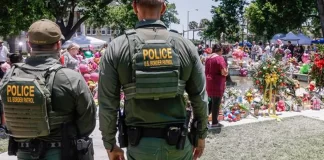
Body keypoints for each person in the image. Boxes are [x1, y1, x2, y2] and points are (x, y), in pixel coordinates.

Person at [98, 0, 208, 160]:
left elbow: (108, 104)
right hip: (178, 144)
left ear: (135, 7)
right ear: (163, 8)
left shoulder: (117, 47)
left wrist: (110, 144)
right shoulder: (186, 46)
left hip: (140, 146)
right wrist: (201, 136)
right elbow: (200, 99)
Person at [0, 19, 96, 160]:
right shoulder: (70, 77)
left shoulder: (11, 75)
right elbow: (88, 122)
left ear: (29, 44)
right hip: (61, 152)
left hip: (24, 152)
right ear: (58, 45)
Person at [205, 44, 227, 128]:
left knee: (210, 102)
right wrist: (227, 71)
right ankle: (215, 122)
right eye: (222, 51)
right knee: (216, 103)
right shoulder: (219, 58)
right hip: (217, 83)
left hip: (209, 82)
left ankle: (205, 120)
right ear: (220, 50)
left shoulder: (208, 58)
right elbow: (223, 72)